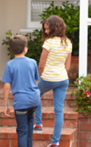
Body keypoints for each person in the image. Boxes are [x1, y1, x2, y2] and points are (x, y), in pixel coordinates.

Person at [33, 15, 72, 147]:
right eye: (45, 29)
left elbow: (41, 64)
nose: (46, 31)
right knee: (59, 111)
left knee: (35, 94)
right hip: (62, 79)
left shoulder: (48, 43)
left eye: (48, 29)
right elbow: (67, 66)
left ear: (55, 27)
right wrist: (60, 75)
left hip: (48, 78)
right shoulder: (68, 42)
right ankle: (55, 142)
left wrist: (38, 76)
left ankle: (38, 123)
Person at [2, 35, 41, 147]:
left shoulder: (10, 65)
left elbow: (6, 86)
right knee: (29, 130)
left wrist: (6, 105)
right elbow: (36, 80)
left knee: (22, 131)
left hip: (21, 102)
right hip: (34, 100)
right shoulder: (32, 62)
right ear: (25, 49)